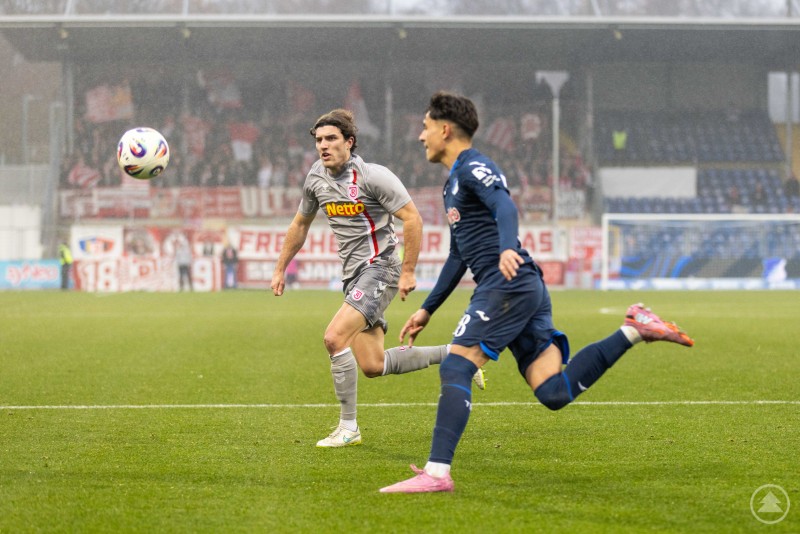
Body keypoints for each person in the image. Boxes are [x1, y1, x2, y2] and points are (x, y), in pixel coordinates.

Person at [379, 92, 694, 494]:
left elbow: (505, 207)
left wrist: (508, 246)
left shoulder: (474, 167)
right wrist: (427, 309)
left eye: (425, 127)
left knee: (456, 367)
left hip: (506, 283)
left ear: (444, 129)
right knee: (553, 391)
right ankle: (634, 329)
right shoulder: (452, 183)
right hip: (521, 288)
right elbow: (459, 255)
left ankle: (437, 474)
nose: (420, 136)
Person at [271, 108, 484, 448]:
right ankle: (459, 354)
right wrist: (281, 267)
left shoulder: (373, 177)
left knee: (333, 338)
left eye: (331, 139)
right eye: (318, 140)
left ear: (349, 142)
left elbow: (412, 219)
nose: (323, 146)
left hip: (381, 268)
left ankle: (348, 427)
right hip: (354, 277)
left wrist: (409, 270)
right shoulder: (315, 178)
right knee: (372, 364)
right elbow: (300, 224)